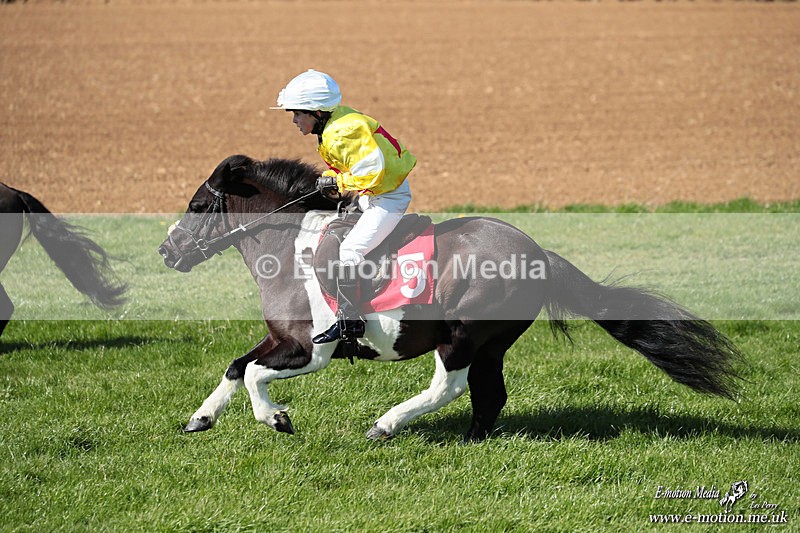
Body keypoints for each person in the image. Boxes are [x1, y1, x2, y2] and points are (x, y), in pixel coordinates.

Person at [272, 69, 417, 345]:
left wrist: (337, 180)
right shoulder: (334, 124)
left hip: (387, 198)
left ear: (316, 112)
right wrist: (332, 179)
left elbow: (373, 171)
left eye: (297, 114)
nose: (294, 121)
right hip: (373, 195)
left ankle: (351, 322)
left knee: (351, 249)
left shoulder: (342, 131)